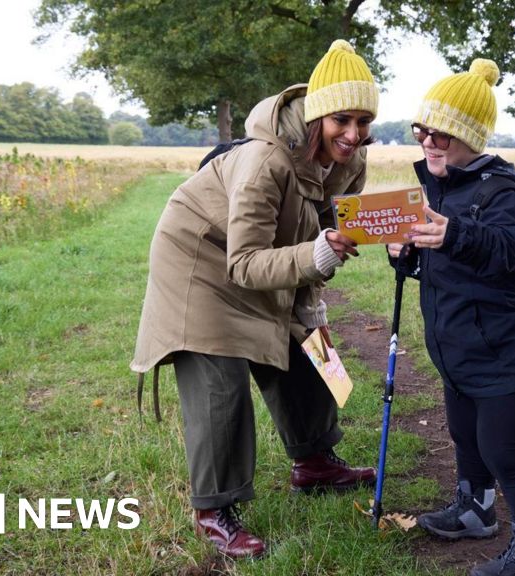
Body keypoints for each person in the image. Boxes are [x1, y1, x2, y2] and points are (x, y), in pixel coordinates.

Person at [131, 39, 379, 559]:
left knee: (309, 351)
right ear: (316, 117)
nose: (353, 135)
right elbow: (243, 264)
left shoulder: (350, 163)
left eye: (362, 120)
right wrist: (316, 255)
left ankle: (314, 464)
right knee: (221, 388)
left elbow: (322, 231)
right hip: (201, 261)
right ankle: (214, 509)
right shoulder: (265, 160)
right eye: (341, 120)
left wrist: (316, 303)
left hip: (271, 254)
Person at [387, 59, 515, 576]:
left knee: (510, 454)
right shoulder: (443, 188)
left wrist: (455, 236)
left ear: (468, 134)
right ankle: (475, 510)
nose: (428, 141)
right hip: (465, 354)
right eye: (422, 130)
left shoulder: (505, 192)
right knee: (467, 438)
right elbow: (458, 266)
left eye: (441, 133)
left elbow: (512, 248)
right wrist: (412, 256)